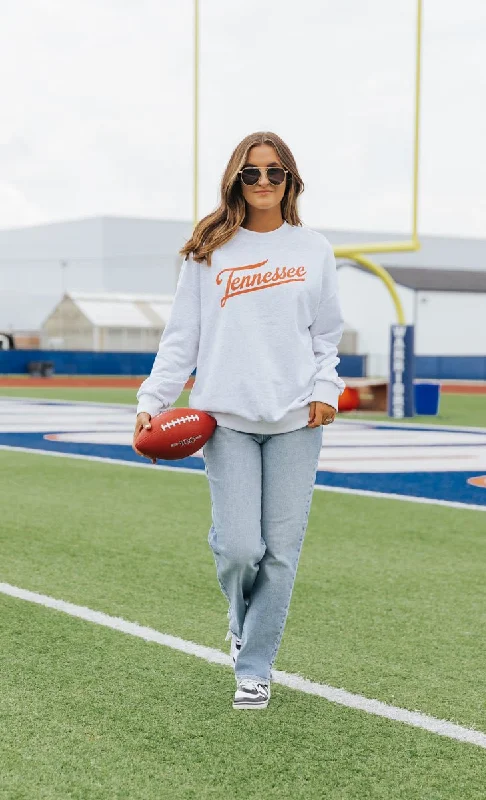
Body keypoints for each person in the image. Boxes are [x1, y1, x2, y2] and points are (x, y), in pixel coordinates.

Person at [133, 131, 345, 710]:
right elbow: (182, 338)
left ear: (291, 181)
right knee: (238, 549)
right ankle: (238, 623)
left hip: (296, 420)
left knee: (280, 553)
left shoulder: (314, 250)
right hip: (226, 418)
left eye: (275, 173)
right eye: (252, 173)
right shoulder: (210, 252)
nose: (263, 183)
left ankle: (253, 667)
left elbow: (327, 336)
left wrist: (327, 389)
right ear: (236, 180)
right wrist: (152, 401)